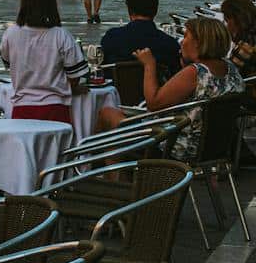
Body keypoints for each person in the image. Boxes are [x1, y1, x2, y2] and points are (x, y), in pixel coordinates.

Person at [96, 17, 245, 159]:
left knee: (107, 114)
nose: (181, 41)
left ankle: (113, 179)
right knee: (121, 118)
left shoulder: (195, 73)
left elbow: (153, 103)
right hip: (211, 147)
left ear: (198, 43)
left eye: (186, 37)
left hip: (175, 146)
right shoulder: (230, 69)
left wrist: (149, 65)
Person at [0, 0, 88, 124]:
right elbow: (75, 75)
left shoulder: (10, 34)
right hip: (55, 108)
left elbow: (9, 64)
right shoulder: (61, 35)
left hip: (22, 108)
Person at [99, 0, 183, 95]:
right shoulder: (169, 44)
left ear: (129, 10)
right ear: (155, 10)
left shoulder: (111, 37)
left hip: (117, 98)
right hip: (158, 100)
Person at [219, 0, 256, 79]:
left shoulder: (246, 45)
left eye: (226, 21)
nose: (226, 26)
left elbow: (230, 77)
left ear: (235, 20)